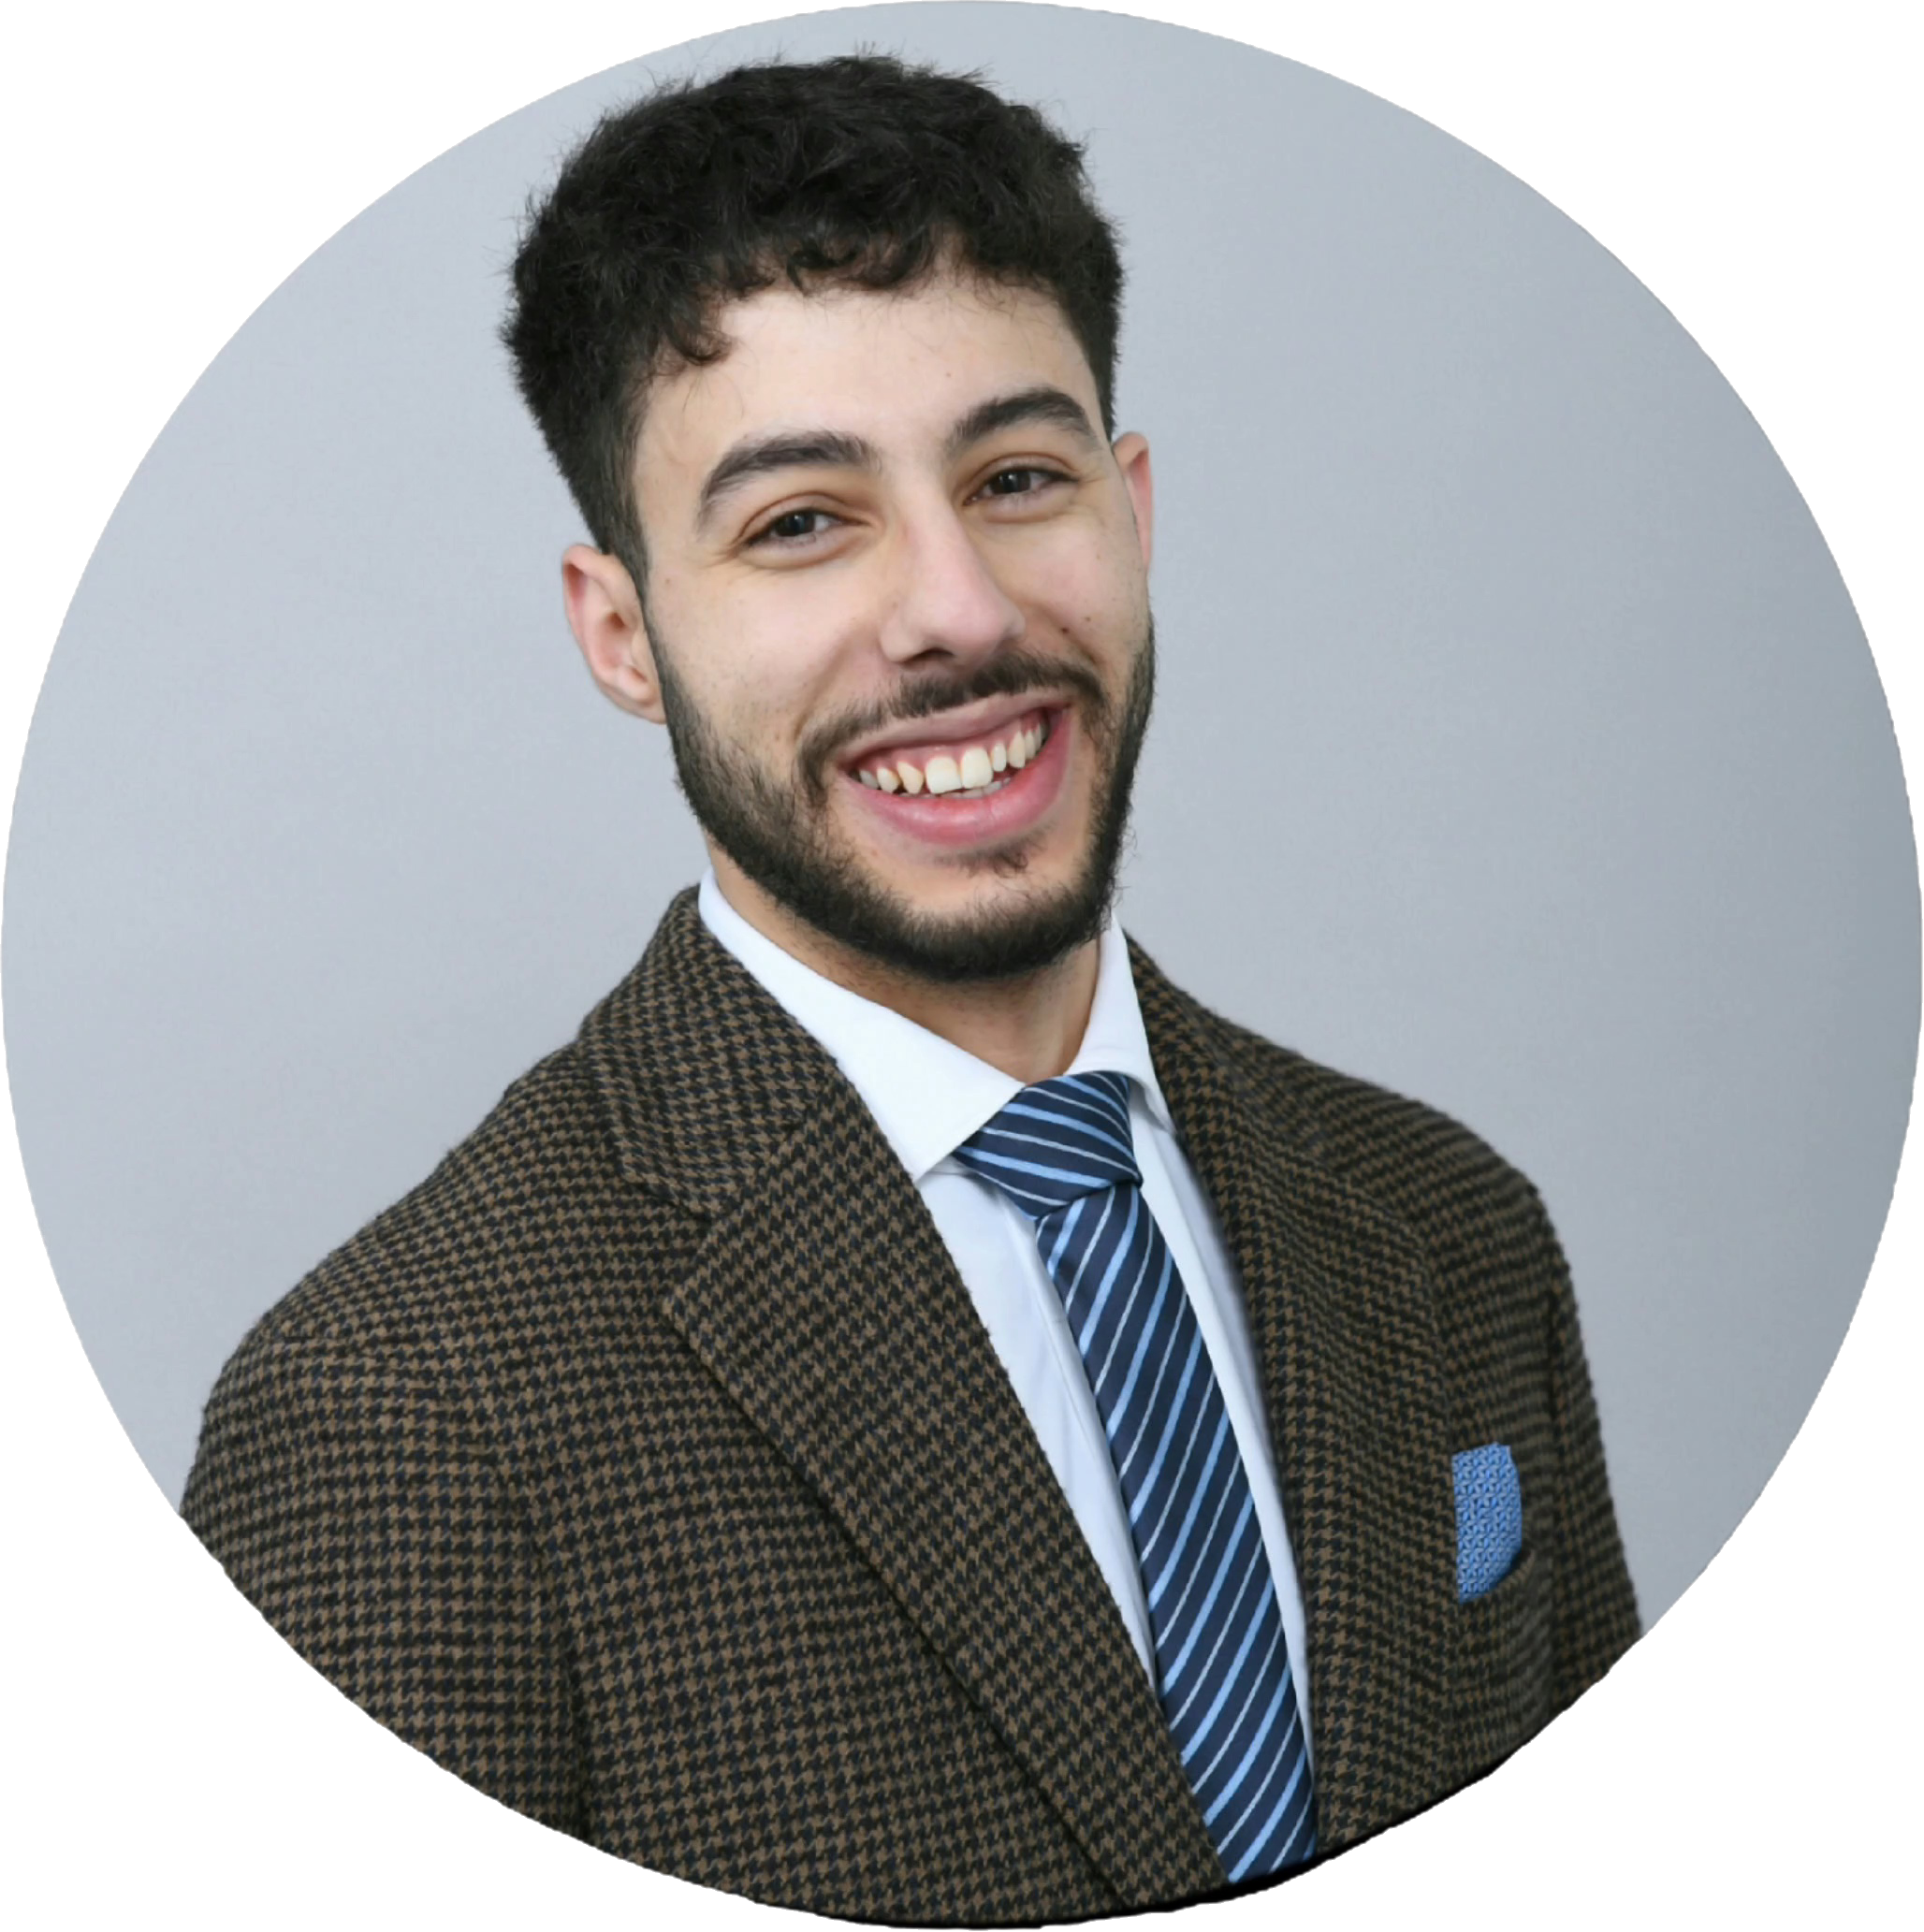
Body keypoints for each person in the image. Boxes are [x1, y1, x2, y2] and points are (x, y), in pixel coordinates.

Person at [182, 53, 1639, 1915]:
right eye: (800, 520)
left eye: (1016, 479)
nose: (957, 609)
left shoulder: (1451, 1227)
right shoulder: (393, 1413)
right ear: (623, 634)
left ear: (1130, 510)